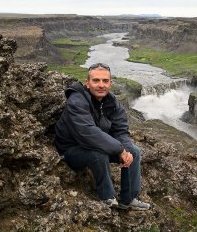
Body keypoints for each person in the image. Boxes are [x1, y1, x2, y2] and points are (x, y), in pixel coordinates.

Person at [54, 62, 150, 210]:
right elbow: (87, 132)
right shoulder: (76, 100)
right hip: (71, 149)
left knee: (134, 151)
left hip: (98, 143)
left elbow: (121, 130)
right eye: (96, 80)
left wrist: (126, 149)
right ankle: (107, 198)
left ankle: (129, 199)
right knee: (98, 155)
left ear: (110, 83)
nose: (101, 85)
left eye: (105, 81)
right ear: (87, 83)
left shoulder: (112, 102)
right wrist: (119, 150)